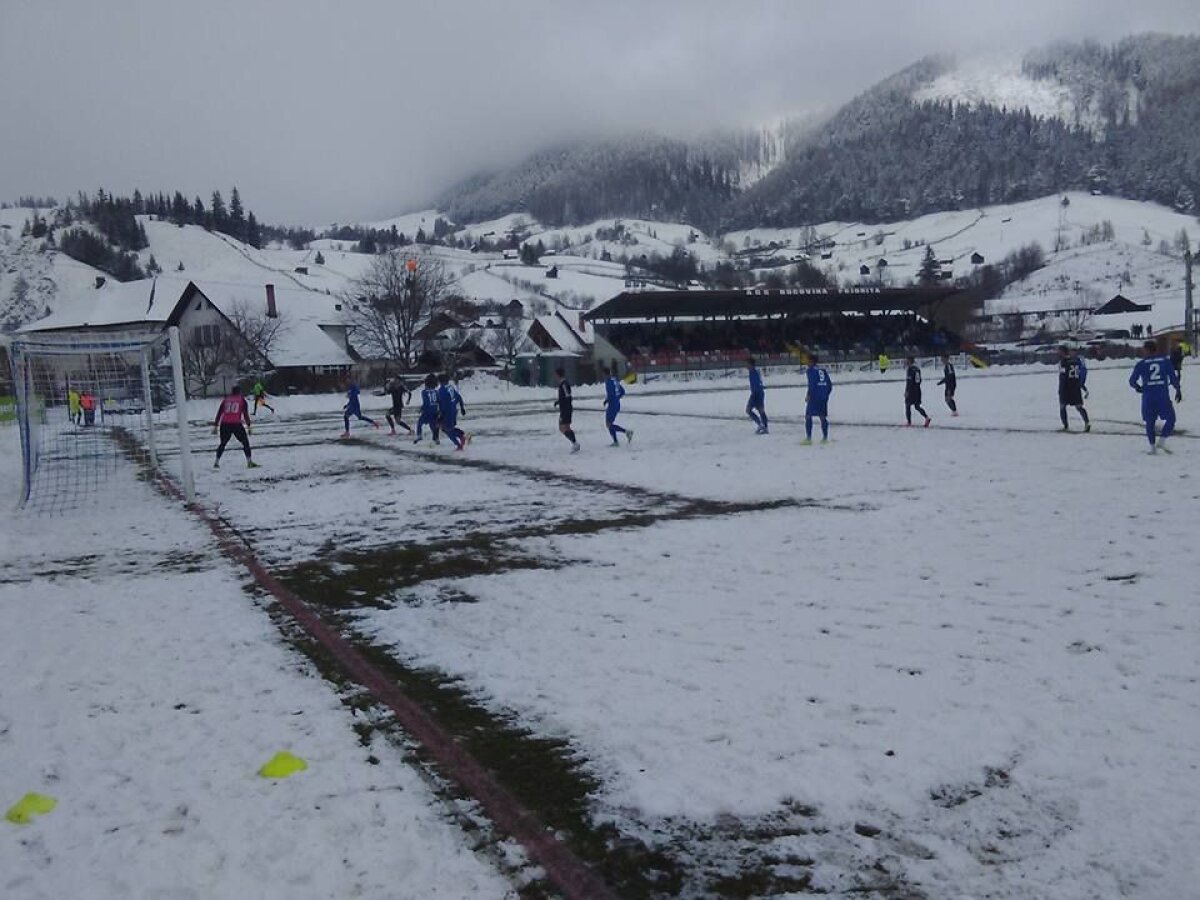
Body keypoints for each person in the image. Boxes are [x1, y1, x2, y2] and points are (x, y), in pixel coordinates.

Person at [1129, 339, 1182, 454]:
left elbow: (1132, 381)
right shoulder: (1165, 361)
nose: (1143, 352)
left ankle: (1152, 448)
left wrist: (1139, 388)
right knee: (1171, 419)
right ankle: (1162, 441)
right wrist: (1178, 389)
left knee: (1150, 422)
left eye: (1144, 350)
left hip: (1148, 397)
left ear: (1147, 350)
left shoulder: (1141, 364)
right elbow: (1173, 378)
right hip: (1162, 395)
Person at [212, 384, 259, 469]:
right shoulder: (242, 400)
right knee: (245, 443)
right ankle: (249, 462)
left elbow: (219, 413)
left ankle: (216, 462)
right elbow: (245, 414)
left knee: (223, 443)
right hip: (236, 424)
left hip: (224, 424)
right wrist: (249, 426)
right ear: (239, 392)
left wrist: (215, 426)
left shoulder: (226, 400)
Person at [1057, 345, 1090, 432]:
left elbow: (1063, 376)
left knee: (1062, 406)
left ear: (1063, 352)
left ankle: (1065, 426)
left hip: (1066, 387)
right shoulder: (1077, 361)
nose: (1058, 352)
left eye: (1059, 351)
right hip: (1076, 386)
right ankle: (1087, 423)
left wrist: (1060, 389)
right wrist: (1083, 386)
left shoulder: (1063, 362)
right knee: (1079, 406)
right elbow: (1082, 372)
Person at [802, 354, 832, 445]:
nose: (806, 363)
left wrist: (808, 395)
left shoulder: (810, 371)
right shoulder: (822, 370)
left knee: (808, 416)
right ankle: (825, 438)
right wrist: (826, 394)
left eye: (807, 361)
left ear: (811, 362)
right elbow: (830, 384)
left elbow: (812, 384)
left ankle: (808, 438)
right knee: (822, 416)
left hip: (815, 396)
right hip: (823, 396)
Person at [437, 372, 469, 450]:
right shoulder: (450, 387)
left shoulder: (442, 391)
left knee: (448, 430)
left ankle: (459, 445)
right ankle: (463, 435)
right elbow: (459, 397)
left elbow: (443, 405)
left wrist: (440, 416)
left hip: (447, 412)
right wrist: (462, 407)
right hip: (453, 411)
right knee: (446, 429)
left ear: (440, 382)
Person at [603, 366, 632, 445]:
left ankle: (626, 432)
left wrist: (607, 400)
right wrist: (617, 398)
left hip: (612, 404)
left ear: (605, 374)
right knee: (609, 423)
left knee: (608, 424)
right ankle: (616, 441)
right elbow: (622, 391)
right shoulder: (615, 380)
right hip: (617, 403)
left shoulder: (608, 381)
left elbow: (611, 394)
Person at [554, 367, 580, 453]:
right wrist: (559, 401)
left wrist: (564, 405)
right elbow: (566, 396)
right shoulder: (563, 384)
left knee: (562, 428)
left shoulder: (564, 384)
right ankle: (575, 443)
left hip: (566, 409)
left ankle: (575, 443)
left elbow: (568, 396)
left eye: (555, 375)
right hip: (566, 408)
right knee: (567, 427)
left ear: (558, 375)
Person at [904, 356, 931, 427]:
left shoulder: (910, 370)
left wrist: (907, 391)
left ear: (909, 361)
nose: (905, 362)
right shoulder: (917, 369)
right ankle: (927, 417)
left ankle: (909, 422)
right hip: (918, 390)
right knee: (917, 406)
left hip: (911, 391)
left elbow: (909, 382)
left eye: (907, 360)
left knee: (907, 405)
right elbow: (919, 380)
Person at [414, 374, 441, 444]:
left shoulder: (424, 392)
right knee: (433, 425)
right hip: (434, 411)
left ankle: (419, 435)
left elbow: (426, 402)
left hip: (427, 411)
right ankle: (436, 438)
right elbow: (438, 401)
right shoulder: (436, 392)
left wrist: (422, 409)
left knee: (420, 423)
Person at [745, 357, 768, 434]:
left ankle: (761, 425)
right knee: (760, 411)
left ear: (751, 364)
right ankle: (764, 426)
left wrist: (756, 392)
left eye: (747, 364)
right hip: (758, 393)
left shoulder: (753, 373)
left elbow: (757, 383)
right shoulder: (754, 372)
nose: (746, 365)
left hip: (756, 394)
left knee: (749, 410)